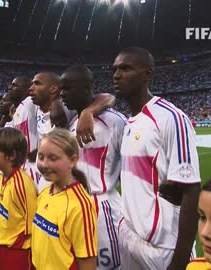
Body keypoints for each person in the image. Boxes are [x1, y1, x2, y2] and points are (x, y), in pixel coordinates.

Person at [114, 47, 201, 270]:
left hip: (163, 247)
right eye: (115, 69)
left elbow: (191, 191)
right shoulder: (129, 122)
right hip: (129, 235)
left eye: (125, 68)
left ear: (148, 74)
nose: (116, 75)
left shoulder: (170, 118)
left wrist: (179, 263)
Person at [60, 64, 126, 269]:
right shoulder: (72, 123)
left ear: (87, 88)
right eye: (61, 88)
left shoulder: (115, 122)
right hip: (75, 206)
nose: (63, 94)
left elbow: (129, 172)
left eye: (68, 88)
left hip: (102, 209)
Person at [32, 128, 97, 270]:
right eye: (41, 157)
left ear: (72, 160)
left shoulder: (81, 205)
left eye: (53, 158)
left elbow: (87, 262)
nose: (44, 164)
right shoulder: (44, 193)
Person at [0, 127, 37, 270]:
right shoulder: (1, 178)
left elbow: (32, 227)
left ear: (11, 155)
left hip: (17, 253)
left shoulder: (22, 185)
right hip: (2, 247)